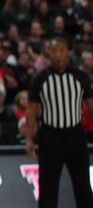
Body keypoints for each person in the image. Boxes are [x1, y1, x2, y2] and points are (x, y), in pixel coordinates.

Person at [25, 37, 93, 208]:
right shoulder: (39, 79)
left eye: (61, 50)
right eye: (54, 51)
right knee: (48, 188)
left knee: (83, 186)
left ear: (67, 53)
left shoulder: (81, 77)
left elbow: (91, 107)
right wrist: (28, 139)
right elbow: (31, 110)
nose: (58, 55)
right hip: (50, 137)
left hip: (75, 136)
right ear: (49, 53)